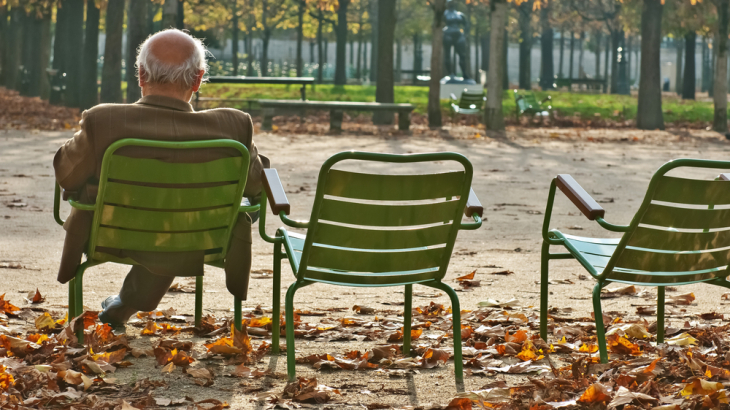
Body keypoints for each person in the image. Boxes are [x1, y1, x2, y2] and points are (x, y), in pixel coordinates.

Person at [53, 29, 268, 331]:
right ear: (197, 80)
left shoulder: (104, 122)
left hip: (112, 236)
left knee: (160, 217)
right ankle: (124, 305)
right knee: (181, 217)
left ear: (141, 75)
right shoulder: (234, 127)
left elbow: (66, 175)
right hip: (202, 238)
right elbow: (258, 187)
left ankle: (122, 306)